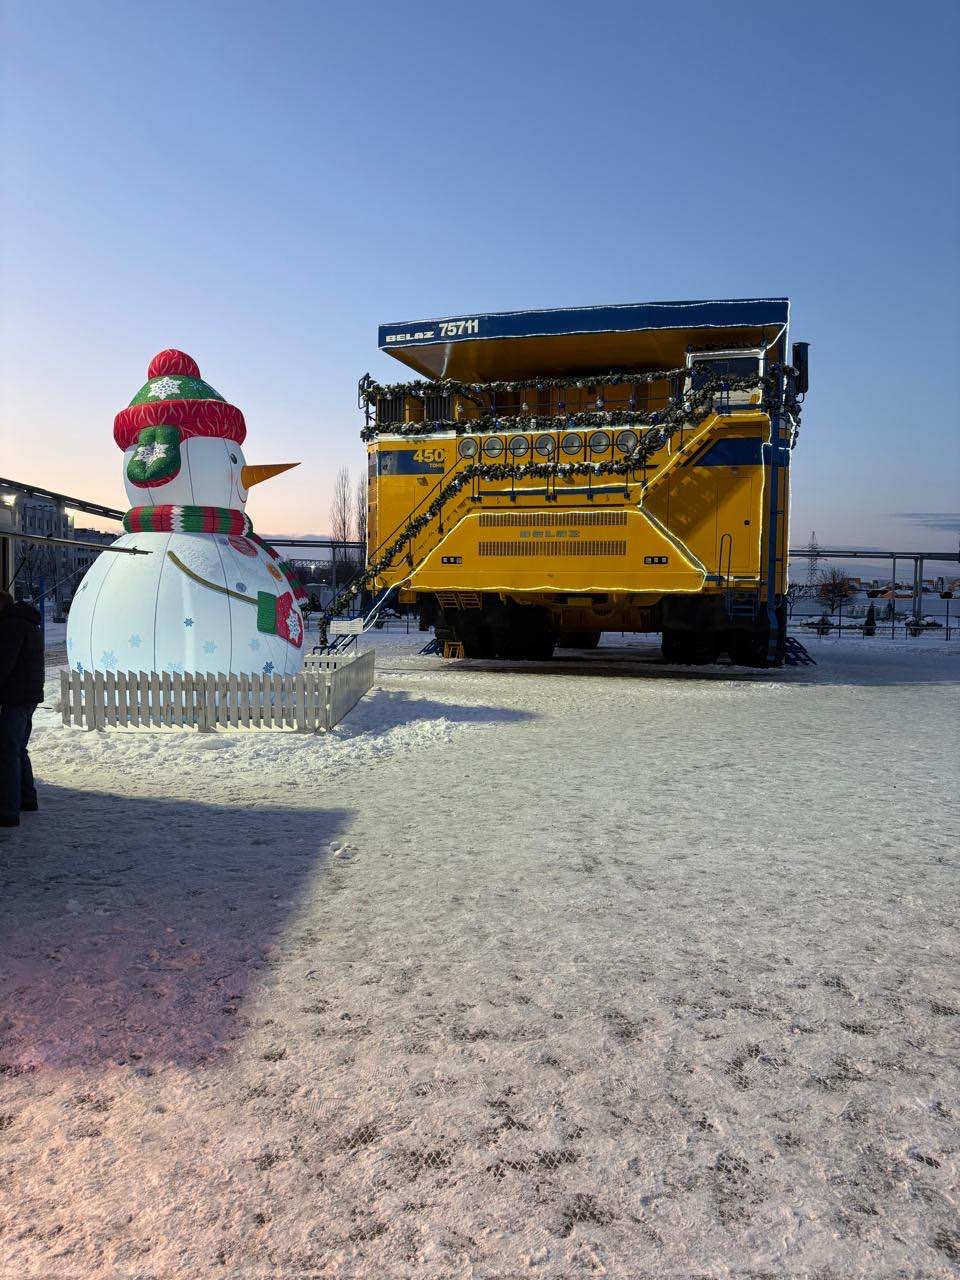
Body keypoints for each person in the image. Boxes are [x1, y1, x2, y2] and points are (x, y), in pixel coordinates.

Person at [0, 590, 43, 827]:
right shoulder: (28, 623)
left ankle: (7, 811)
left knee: (7, 752)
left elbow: (4, 662)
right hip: (29, 696)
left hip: (15, 697)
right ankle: (27, 799)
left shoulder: (11, 626)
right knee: (18, 749)